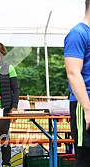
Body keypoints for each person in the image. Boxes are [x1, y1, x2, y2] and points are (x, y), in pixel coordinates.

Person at [64, 1, 90, 166]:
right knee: (86, 157)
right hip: (85, 103)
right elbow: (73, 73)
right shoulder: (78, 33)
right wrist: (88, 109)